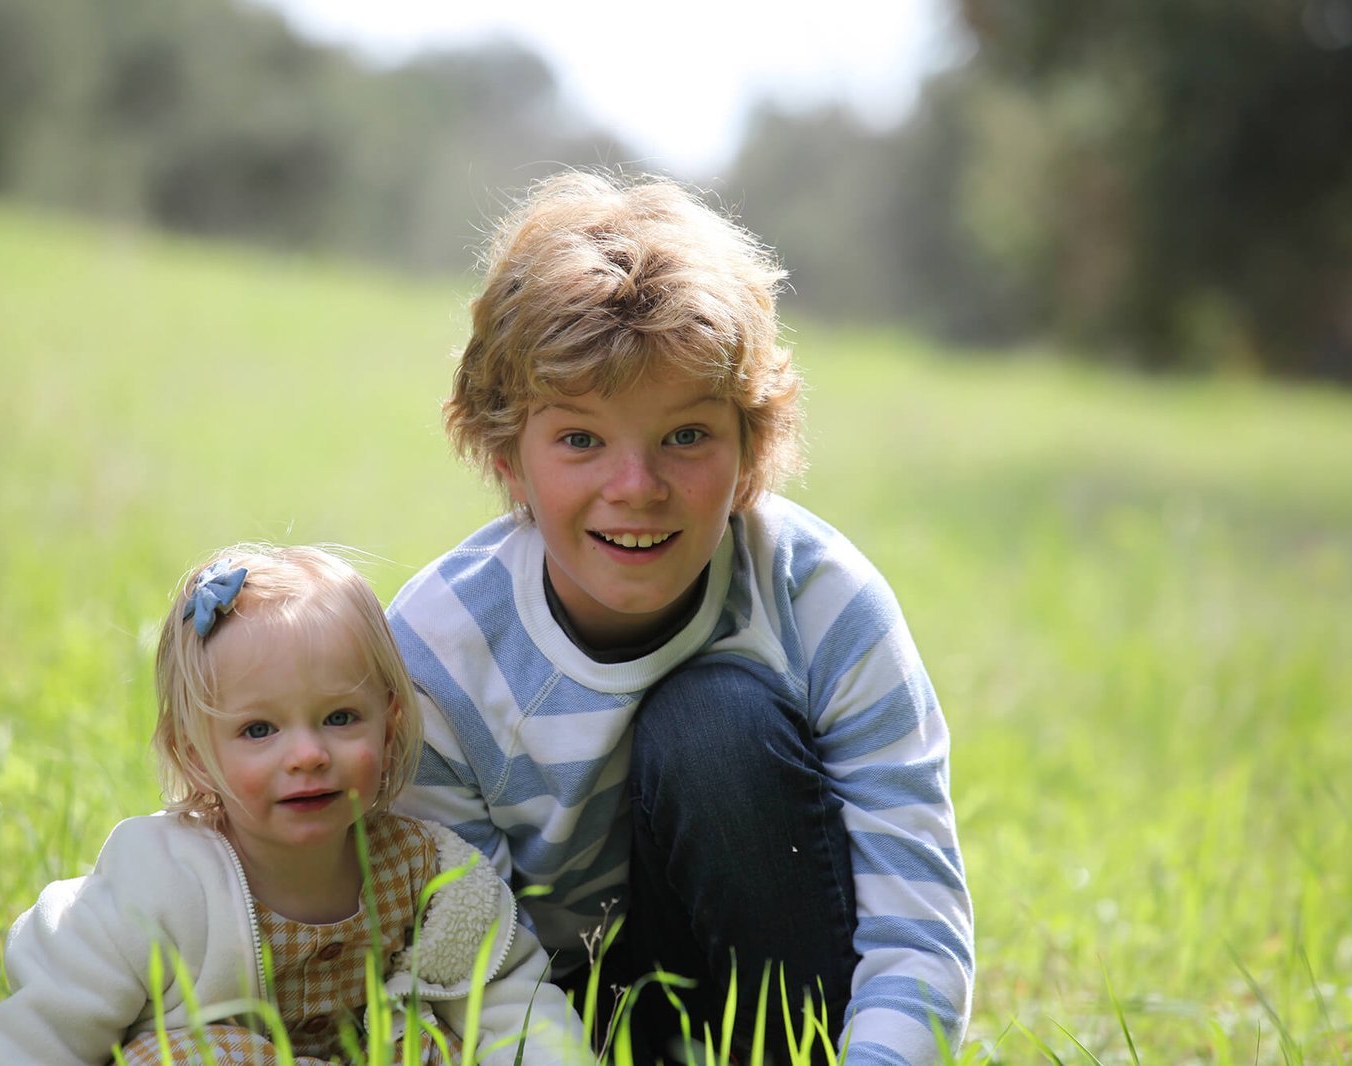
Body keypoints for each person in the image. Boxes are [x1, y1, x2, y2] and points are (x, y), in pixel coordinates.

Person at [386, 170, 975, 1065]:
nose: (637, 488)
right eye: (580, 439)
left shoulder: (821, 601)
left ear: (750, 452)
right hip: (546, 1010)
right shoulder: (436, 654)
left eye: (686, 436)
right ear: (510, 459)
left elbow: (914, 926)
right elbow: (463, 971)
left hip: (774, 981)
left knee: (714, 726)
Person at [0, 544, 592, 1065]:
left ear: (390, 725)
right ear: (193, 753)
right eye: (260, 730)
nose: (308, 755)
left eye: (340, 718)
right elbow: (43, 1031)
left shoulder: (425, 870)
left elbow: (513, 1004)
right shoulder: (159, 883)